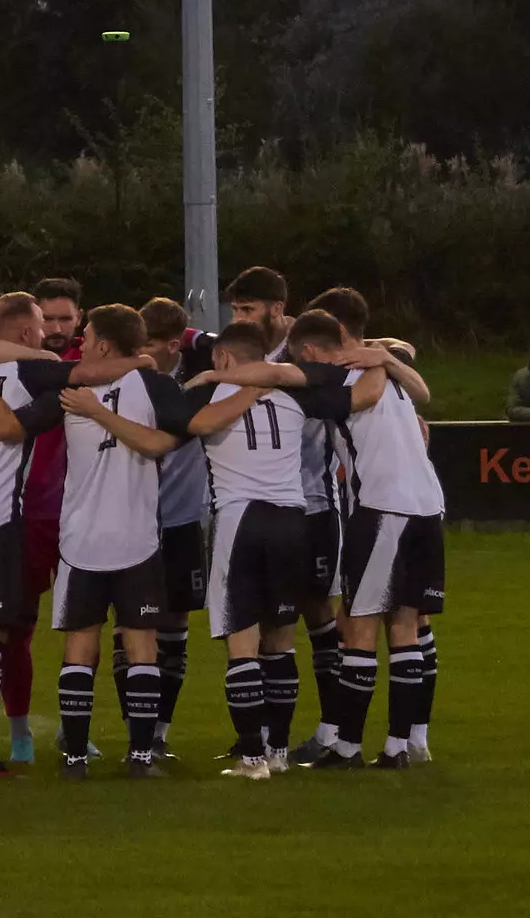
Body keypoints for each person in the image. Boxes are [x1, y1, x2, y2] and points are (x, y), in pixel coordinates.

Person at [0, 293, 139, 776]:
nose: (44, 336)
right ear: (22, 334)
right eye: (38, 328)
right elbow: (93, 375)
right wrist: (141, 359)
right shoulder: (27, 373)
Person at [164, 318, 386, 780]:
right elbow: (364, 395)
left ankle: (252, 759)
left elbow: (188, 424)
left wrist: (230, 384)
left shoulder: (209, 388)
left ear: (224, 358)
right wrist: (380, 357)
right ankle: (279, 752)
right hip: (292, 518)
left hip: (239, 518)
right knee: (281, 641)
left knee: (242, 643)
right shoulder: (294, 391)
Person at [230, 310, 442, 770]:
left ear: (309, 351)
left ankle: (347, 747)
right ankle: (400, 746)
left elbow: (278, 374)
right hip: (428, 507)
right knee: (404, 625)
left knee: (361, 627)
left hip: (383, 507)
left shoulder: (340, 382)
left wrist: (216, 374)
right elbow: (420, 381)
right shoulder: (388, 367)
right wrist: (384, 354)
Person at [24, 303, 204, 779]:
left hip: (103, 537)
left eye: (86, 333)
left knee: (94, 645)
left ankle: (97, 758)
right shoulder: (147, 384)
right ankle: (116, 758)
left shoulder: (83, 391)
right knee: (131, 645)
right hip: (121, 537)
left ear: (103, 343)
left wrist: (97, 412)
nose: (80, 339)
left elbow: (167, 441)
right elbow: (170, 437)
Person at [2, 274, 85, 762]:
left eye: (64, 318)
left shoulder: (91, 366)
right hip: (26, 512)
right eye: (47, 318)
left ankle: (77, 729)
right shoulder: (12, 365)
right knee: (18, 627)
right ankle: (19, 732)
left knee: (83, 626)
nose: (55, 327)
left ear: (80, 320)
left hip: (79, 513)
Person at [136, 295, 209, 755]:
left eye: (148, 344)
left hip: (182, 520)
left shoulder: (203, 383)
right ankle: (135, 728)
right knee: (131, 625)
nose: (140, 352)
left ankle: (160, 732)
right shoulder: (126, 380)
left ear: (171, 347)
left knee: (175, 624)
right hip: (132, 520)